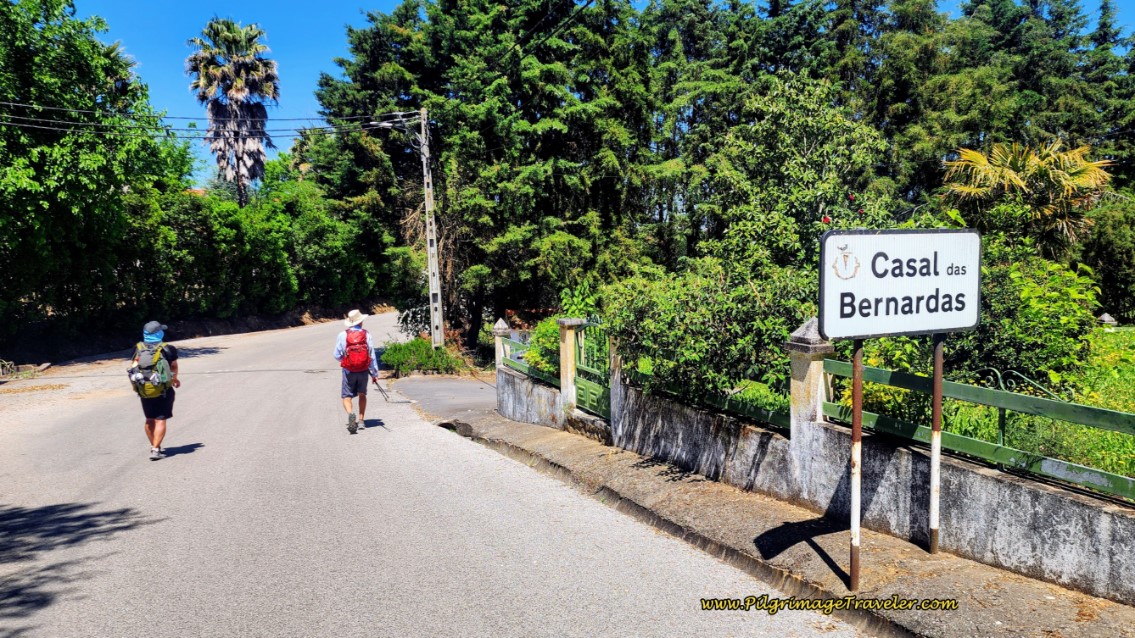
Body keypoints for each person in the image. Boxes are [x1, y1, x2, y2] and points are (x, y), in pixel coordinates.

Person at [130, 321, 180, 460]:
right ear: (159, 333)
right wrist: (174, 379)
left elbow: (134, 367)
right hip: (163, 388)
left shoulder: (138, 348)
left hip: (145, 389)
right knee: (160, 419)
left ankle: (155, 446)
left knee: (149, 419)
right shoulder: (168, 348)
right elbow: (174, 366)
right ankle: (155, 448)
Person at [333, 309, 379, 434]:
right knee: (362, 394)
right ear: (361, 322)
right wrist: (374, 373)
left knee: (347, 396)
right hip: (363, 370)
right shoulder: (367, 335)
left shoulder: (343, 335)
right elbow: (372, 356)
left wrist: (347, 360)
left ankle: (350, 414)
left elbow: (336, 355)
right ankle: (361, 420)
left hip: (349, 370)